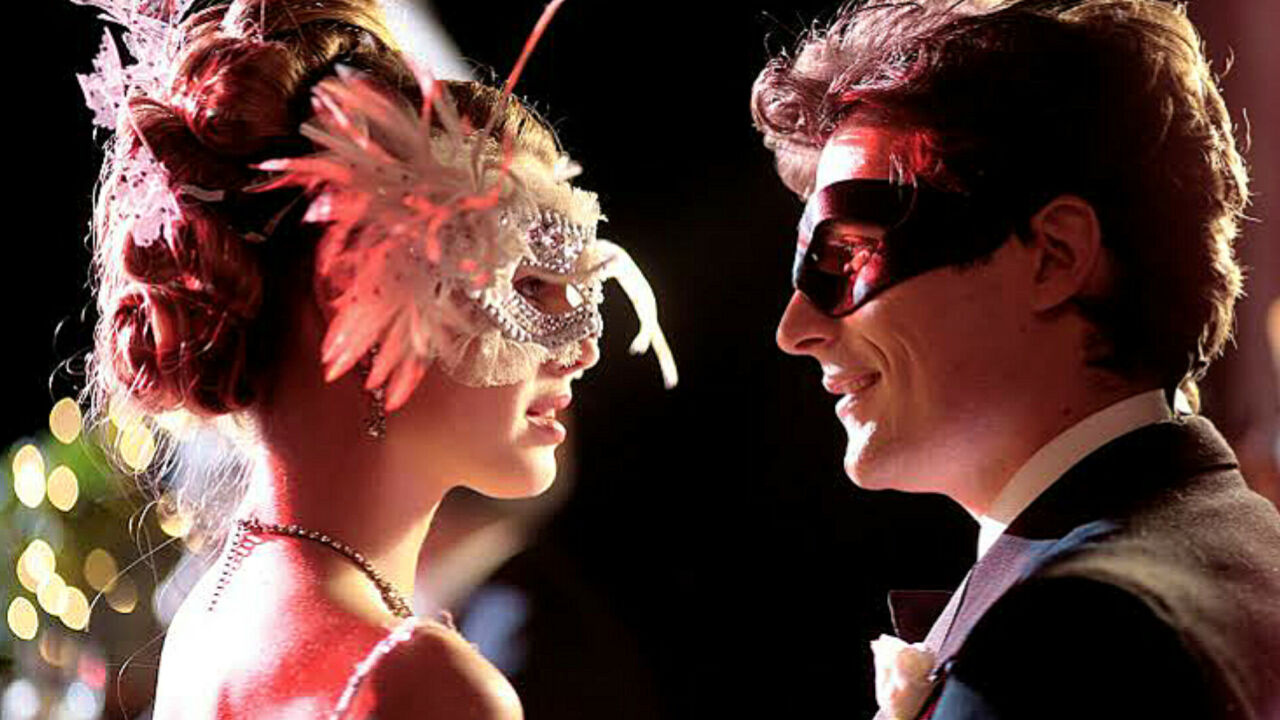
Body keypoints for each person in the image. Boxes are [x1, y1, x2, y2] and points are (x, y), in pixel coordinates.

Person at [73, 0, 675, 717]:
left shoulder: (207, 623)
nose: (580, 350)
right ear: (351, 287)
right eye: (528, 284)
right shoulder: (420, 683)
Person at [750, 1, 1280, 718]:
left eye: (852, 254)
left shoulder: (1071, 641)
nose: (796, 329)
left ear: (1054, 256)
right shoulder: (1232, 551)